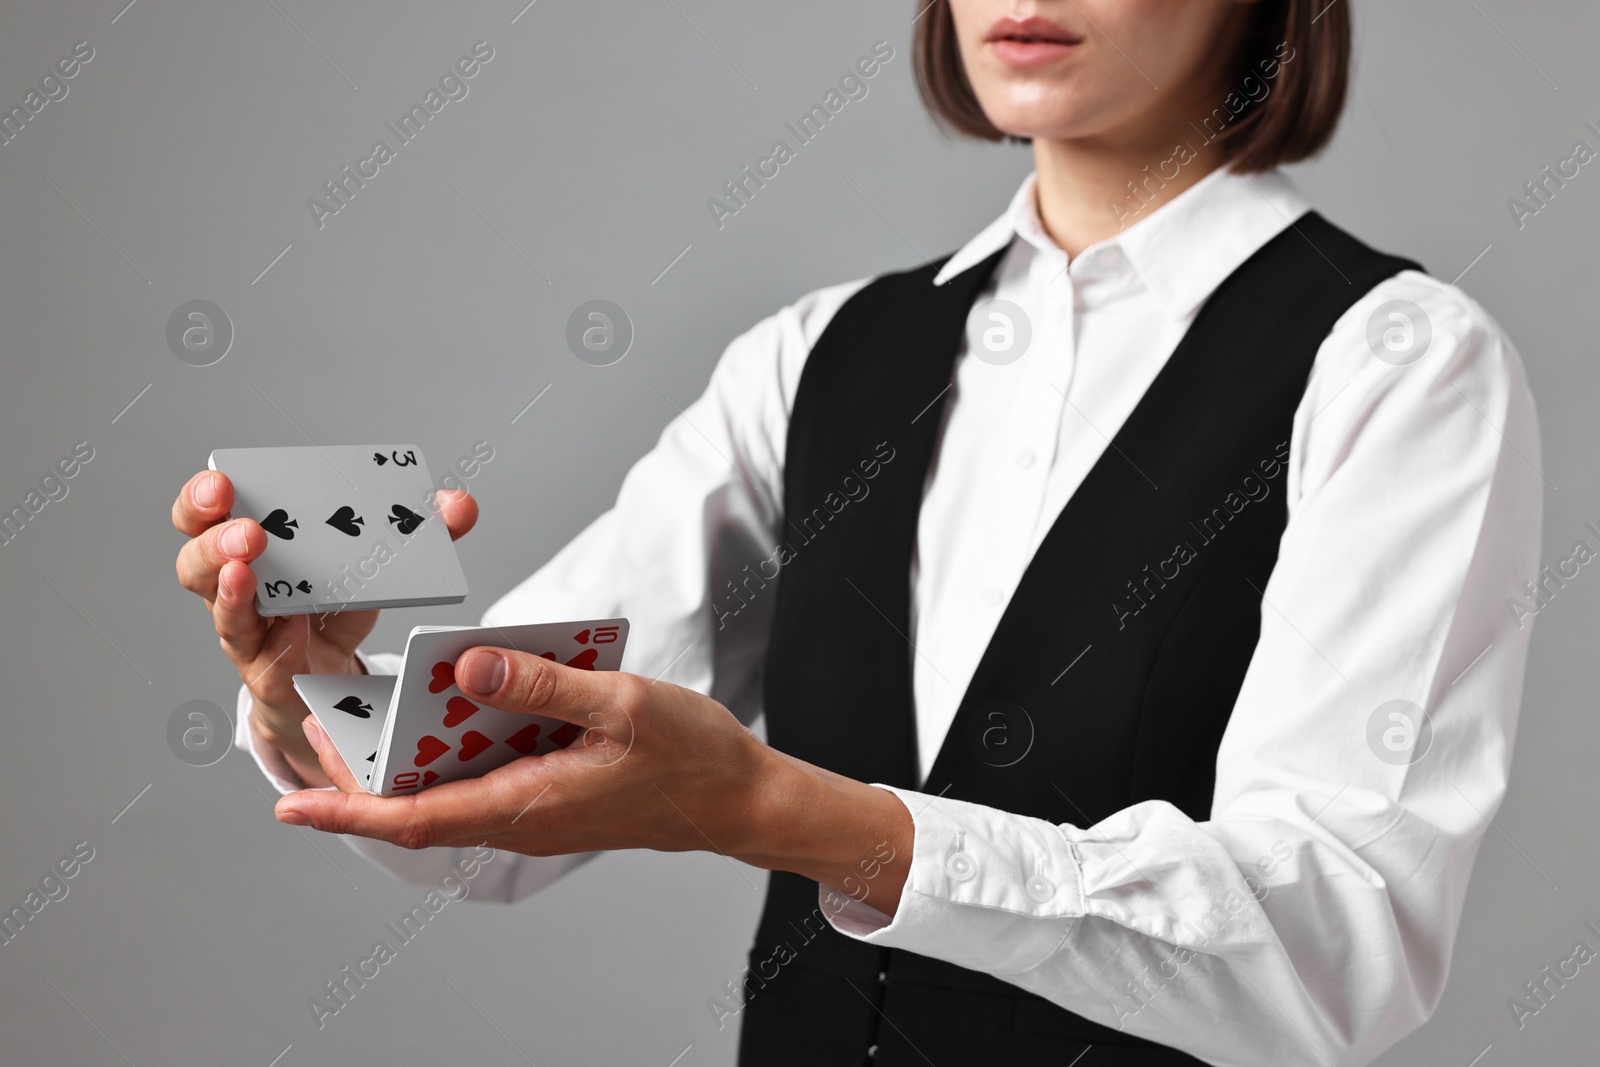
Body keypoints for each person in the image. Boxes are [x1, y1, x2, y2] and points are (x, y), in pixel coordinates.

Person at [171, 2, 1542, 1064]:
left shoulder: (1396, 361)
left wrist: (792, 815)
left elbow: (1334, 949)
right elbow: (492, 804)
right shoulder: (815, 356)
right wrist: (314, 692)